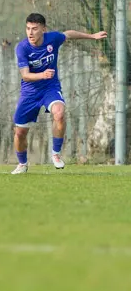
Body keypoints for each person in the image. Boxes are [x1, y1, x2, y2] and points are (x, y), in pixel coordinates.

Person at [11, 13, 107, 174]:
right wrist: (42, 75)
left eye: (34, 29)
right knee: (20, 132)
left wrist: (91, 36)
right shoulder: (22, 48)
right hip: (30, 92)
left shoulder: (53, 39)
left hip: (50, 88)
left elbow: (69, 34)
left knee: (60, 113)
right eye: (28, 29)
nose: (30, 33)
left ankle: (55, 154)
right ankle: (22, 164)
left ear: (43, 29)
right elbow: (25, 75)